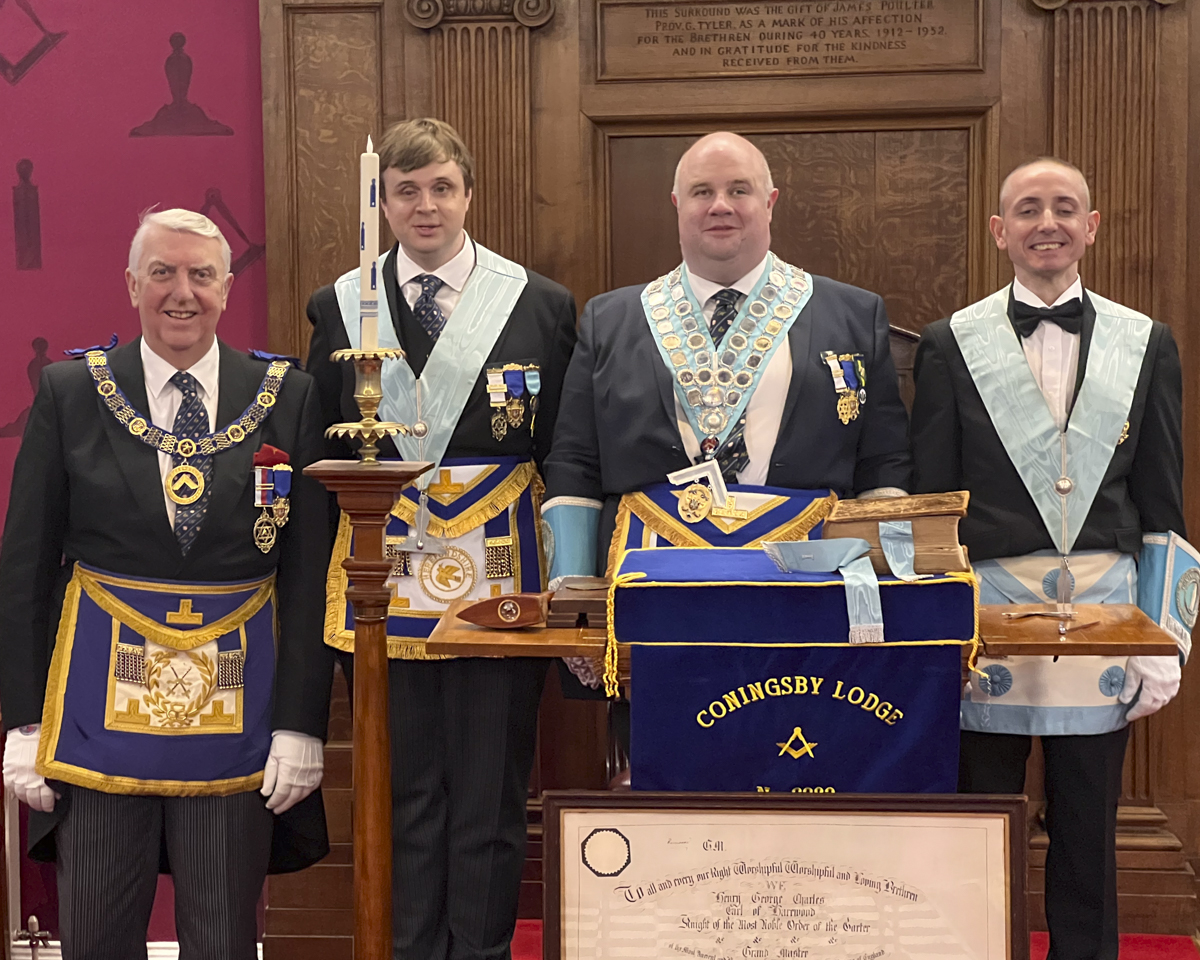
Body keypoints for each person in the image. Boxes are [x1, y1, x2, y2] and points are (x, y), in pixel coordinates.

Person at [0, 208, 332, 959]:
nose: (182, 293)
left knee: (222, 940)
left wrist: (301, 723)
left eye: (201, 275)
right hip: (95, 719)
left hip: (238, 716)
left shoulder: (287, 395)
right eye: (162, 273)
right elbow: (24, 565)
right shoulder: (72, 393)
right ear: (131, 285)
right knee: (98, 937)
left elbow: (309, 573)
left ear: (225, 286)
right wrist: (23, 721)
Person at [305, 118, 576, 960]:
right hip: (382, 571)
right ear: (382, 202)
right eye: (405, 191)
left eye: (441, 188)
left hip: (501, 571)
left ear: (468, 193)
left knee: (491, 796)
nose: (426, 207)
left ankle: (481, 952)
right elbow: (322, 446)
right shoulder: (340, 304)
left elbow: (565, 451)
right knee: (402, 790)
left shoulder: (539, 303)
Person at [910, 157, 1185, 960]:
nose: (1047, 222)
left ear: (1091, 226)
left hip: (1107, 621)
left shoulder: (1147, 343)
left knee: (1090, 830)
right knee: (980, 831)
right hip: (985, 620)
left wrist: (1163, 636)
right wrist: (936, 631)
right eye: (1027, 209)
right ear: (1001, 231)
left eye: (1065, 207)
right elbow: (931, 502)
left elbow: (1163, 502)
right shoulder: (949, 343)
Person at [541, 131, 912, 694]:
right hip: (652, 595)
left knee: (800, 756)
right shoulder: (610, 319)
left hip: (807, 590)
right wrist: (573, 593)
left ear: (770, 202)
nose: (720, 205)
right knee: (665, 768)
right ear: (677, 205)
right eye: (701, 191)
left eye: (740, 189)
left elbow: (884, 463)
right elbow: (575, 461)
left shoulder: (853, 314)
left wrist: (889, 587)